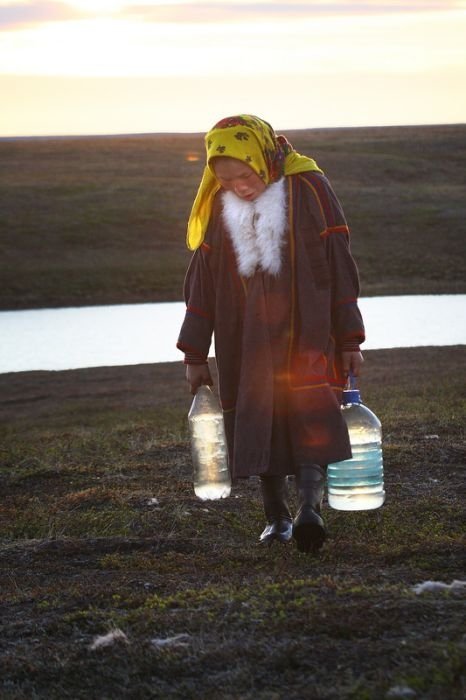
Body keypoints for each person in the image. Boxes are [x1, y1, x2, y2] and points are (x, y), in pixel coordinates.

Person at [177, 115, 365, 553]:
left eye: (245, 176)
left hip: (308, 334)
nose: (239, 187)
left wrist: (351, 339)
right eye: (226, 181)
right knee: (256, 417)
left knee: (311, 414)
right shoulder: (219, 208)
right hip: (245, 340)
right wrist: (194, 354)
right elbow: (202, 283)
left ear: (263, 157)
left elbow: (339, 266)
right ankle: (276, 517)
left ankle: (309, 509)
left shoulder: (310, 188)